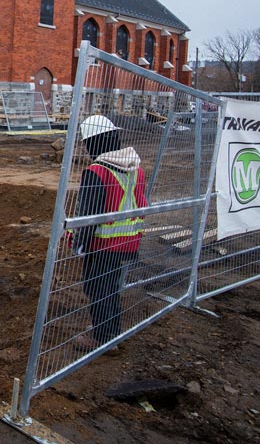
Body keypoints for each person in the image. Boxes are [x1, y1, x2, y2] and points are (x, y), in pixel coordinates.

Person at [72, 115, 147, 350]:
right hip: (128, 242)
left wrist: (79, 244)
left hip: (103, 245)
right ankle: (110, 331)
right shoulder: (134, 167)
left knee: (97, 288)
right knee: (111, 288)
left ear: (93, 143)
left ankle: (102, 339)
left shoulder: (97, 172)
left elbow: (88, 216)